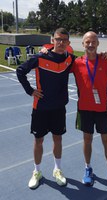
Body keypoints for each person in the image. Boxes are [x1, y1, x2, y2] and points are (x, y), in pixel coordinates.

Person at [16, 28, 76, 189]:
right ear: (52, 40)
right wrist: (30, 90)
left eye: (64, 40)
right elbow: (20, 71)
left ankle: (57, 169)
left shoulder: (70, 59)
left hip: (58, 108)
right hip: (40, 107)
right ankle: (37, 171)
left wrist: (102, 55)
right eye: (58, 39)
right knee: (39, 140)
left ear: (68, 42)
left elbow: (86, 62)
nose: (61, 42)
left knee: (58, 138)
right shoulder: (40, 57)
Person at [71, 31, 107, 192]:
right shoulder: (76, 63)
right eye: (87, 42)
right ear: (83, 44)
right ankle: (88, 168)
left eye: (93, 41)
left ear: (98, 44)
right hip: (85, 109)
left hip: (103, 109)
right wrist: (47, 49)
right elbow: (59, 62)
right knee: (87, 140)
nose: (90, 44)